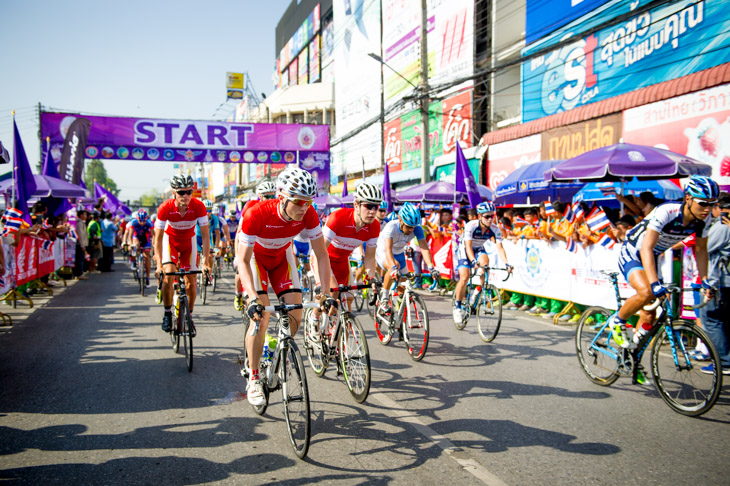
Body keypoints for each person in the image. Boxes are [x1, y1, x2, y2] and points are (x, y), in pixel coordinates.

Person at [237, 167, 336, 407]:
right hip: (256, 260)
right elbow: (242, 259)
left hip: (282, 258)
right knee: (260, 317)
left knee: (296, 312)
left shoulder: (309, 214)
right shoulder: (256, 214)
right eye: (299, 201)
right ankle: (254, 377)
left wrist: (325, 291)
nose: (304, 207)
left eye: (309, 201)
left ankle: (276, 349)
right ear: (281, 196)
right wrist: (252, 298)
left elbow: (322, 254)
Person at [611, 175, 718, 353]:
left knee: (649, 314)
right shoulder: (667, 211)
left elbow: (700, 250)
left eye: (712, 204)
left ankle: (632, 355)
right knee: (646, 291)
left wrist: (705, 279)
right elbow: (646, 248)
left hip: (653, 256)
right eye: (703, 203)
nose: (707, 209)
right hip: (634, 251)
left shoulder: (703, 219)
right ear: (688, 198)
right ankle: (618, 321)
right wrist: (654, 283)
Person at [307, 183, 383, 338]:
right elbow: (319, 253)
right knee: (331, 293)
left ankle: (342, 349)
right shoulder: (338, 217)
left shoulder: (374, 226)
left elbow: (369, 257)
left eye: (376, 207)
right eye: (368, 206)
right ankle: (314, 317)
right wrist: (319, 283)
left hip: (342, 262)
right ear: (356, 205)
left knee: (348, 303)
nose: (373, 211)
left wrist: (372, 277)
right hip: (324, 259)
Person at [154, 174, 210, 335]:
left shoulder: (198, 206)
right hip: (170, 241)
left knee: (191, 281)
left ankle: (189, 316)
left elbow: (206, 236)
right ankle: (167, 313)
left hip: (189, 242)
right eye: (181, 192)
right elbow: (157, 239)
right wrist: (158, 264)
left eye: (188, 192)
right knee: (168, 275)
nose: (185, 196)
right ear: (174, 193)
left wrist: (205, 262)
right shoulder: (165, 207)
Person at [452, 202, 512, 323]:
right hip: (465, 249)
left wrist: (507, 264)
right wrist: (473, 261)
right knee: (465, 277)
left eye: (492, 216)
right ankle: (457, 307)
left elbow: (499, 248)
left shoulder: (495, 229)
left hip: (479, 248)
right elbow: (468, 246)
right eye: (487, 216)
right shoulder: (471, 226)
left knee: (485, 264)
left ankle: (479, 292)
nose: (490, 219)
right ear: (479, 216)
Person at [375, 202, 439, 315]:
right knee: (393, 268)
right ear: (400, 219)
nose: (411, 230)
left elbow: (424, 248)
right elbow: (388, 250)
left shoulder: (417, 229)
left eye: (413, 227)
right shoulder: (391, 227)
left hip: (399, 254)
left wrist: (431, 268)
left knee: (403, 285)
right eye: (408, 227)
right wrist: (394, 268)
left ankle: (398, 311)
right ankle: (384, 299)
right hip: (383, 252)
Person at [233, 180, 277, 311]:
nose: (270, 199)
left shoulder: (277, 207)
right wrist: (237, 255)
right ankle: (237, 294)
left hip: (263, 250)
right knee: (239, 271)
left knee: (262, 289)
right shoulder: (251, 206)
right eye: (267, 196)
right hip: (248, 245)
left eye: (272, 196)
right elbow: (240, 234)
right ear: (260, 196)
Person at [698, 192, 730, 375]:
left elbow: (705, 248)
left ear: (718, 207)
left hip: (721, 281)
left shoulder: (722, 226)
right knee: (723, 320)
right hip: (725, 280)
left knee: (711, 319)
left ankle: (723, 362)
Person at [196, 199, 222, 281]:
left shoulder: (215, 219)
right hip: (197, 238)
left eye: (210, 210)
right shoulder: (197, 217)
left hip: (207, 238)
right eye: (205, 210)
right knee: (196, 256)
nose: (207, 213)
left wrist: (217, 247)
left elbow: (217, 234)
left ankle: (209, 272)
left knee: (210, 255)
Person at [130, 208, 154, 286]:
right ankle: (134, 261)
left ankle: (147, 277)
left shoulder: (149, 223)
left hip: (145, 238)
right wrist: (130, 244)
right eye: (141, 220)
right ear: (137, 219)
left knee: (147, 257)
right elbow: (130, 235)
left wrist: (154, 244)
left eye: (144, 221)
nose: (142, 222)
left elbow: (153, 235)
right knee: (135, 244)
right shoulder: (134, 222)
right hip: (136, 237)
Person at [73, 210, 89, 280]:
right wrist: (82, 245)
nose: (86, 216)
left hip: (82, 244)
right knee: (80, 260)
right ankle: (79, 274)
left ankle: (79, 273)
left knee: (81, 259)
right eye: (85, 214)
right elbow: (81, 235)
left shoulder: (82, 223)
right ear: (81, 215)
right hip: (80, 245)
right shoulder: (79, 223)